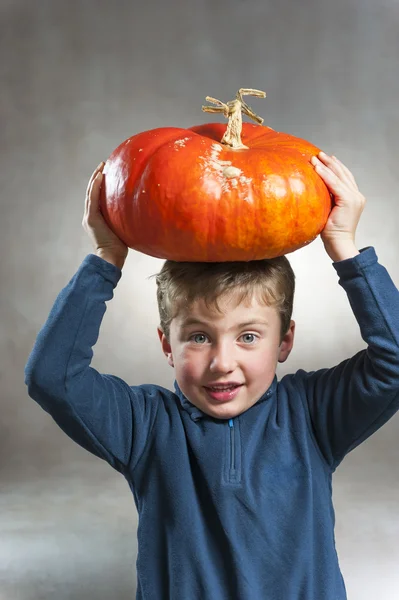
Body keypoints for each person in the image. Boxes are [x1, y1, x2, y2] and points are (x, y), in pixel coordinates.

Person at [24, 151, 399, 600]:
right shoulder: (145, 426)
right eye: (199, 338)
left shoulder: (312, 414)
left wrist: (347, 250)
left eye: (248, 337)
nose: (222, 362)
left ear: (285, 342)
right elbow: (52, 377)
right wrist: (106, 259)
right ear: (167, 345)